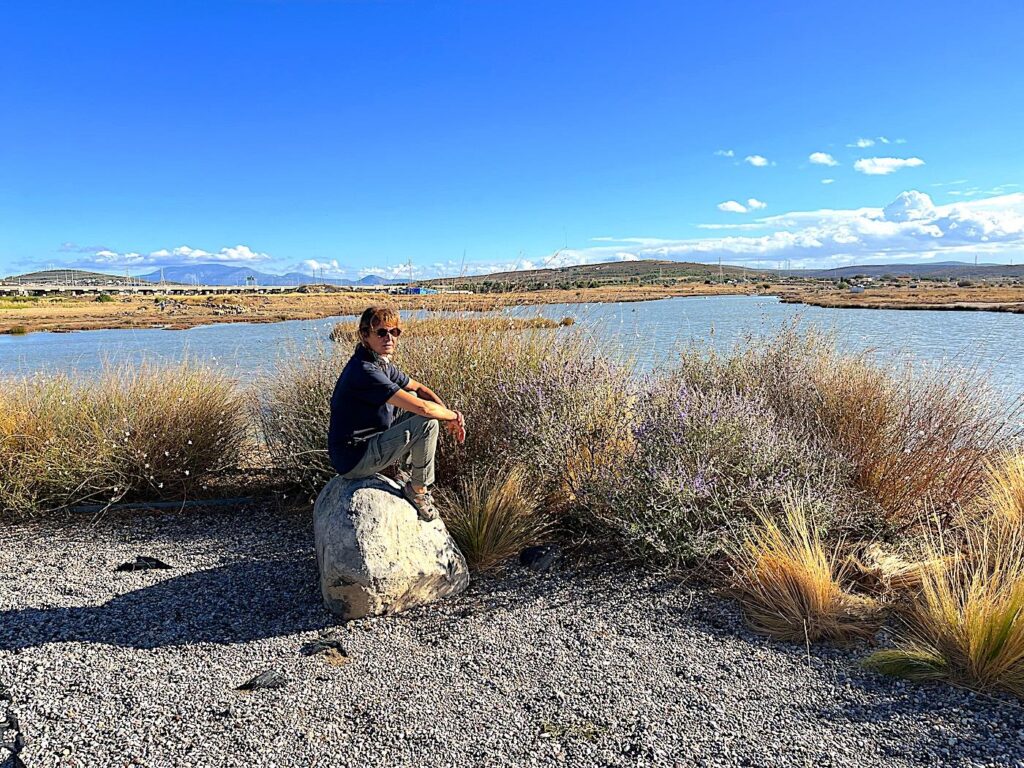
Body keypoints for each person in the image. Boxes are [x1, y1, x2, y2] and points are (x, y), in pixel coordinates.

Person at [327, 306, 465, 520]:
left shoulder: (380, 363)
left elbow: (419, 389)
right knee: (427, 423)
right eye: (381, 332)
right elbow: (423, 409)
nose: (389, 337)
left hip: (368, 445)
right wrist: (453, 417)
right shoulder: (365, 371)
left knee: (423, 415)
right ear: (365, 335)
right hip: (354, 459)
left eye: (394, 332)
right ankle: (418, 491)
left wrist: (445, 412)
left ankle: (404, 474)